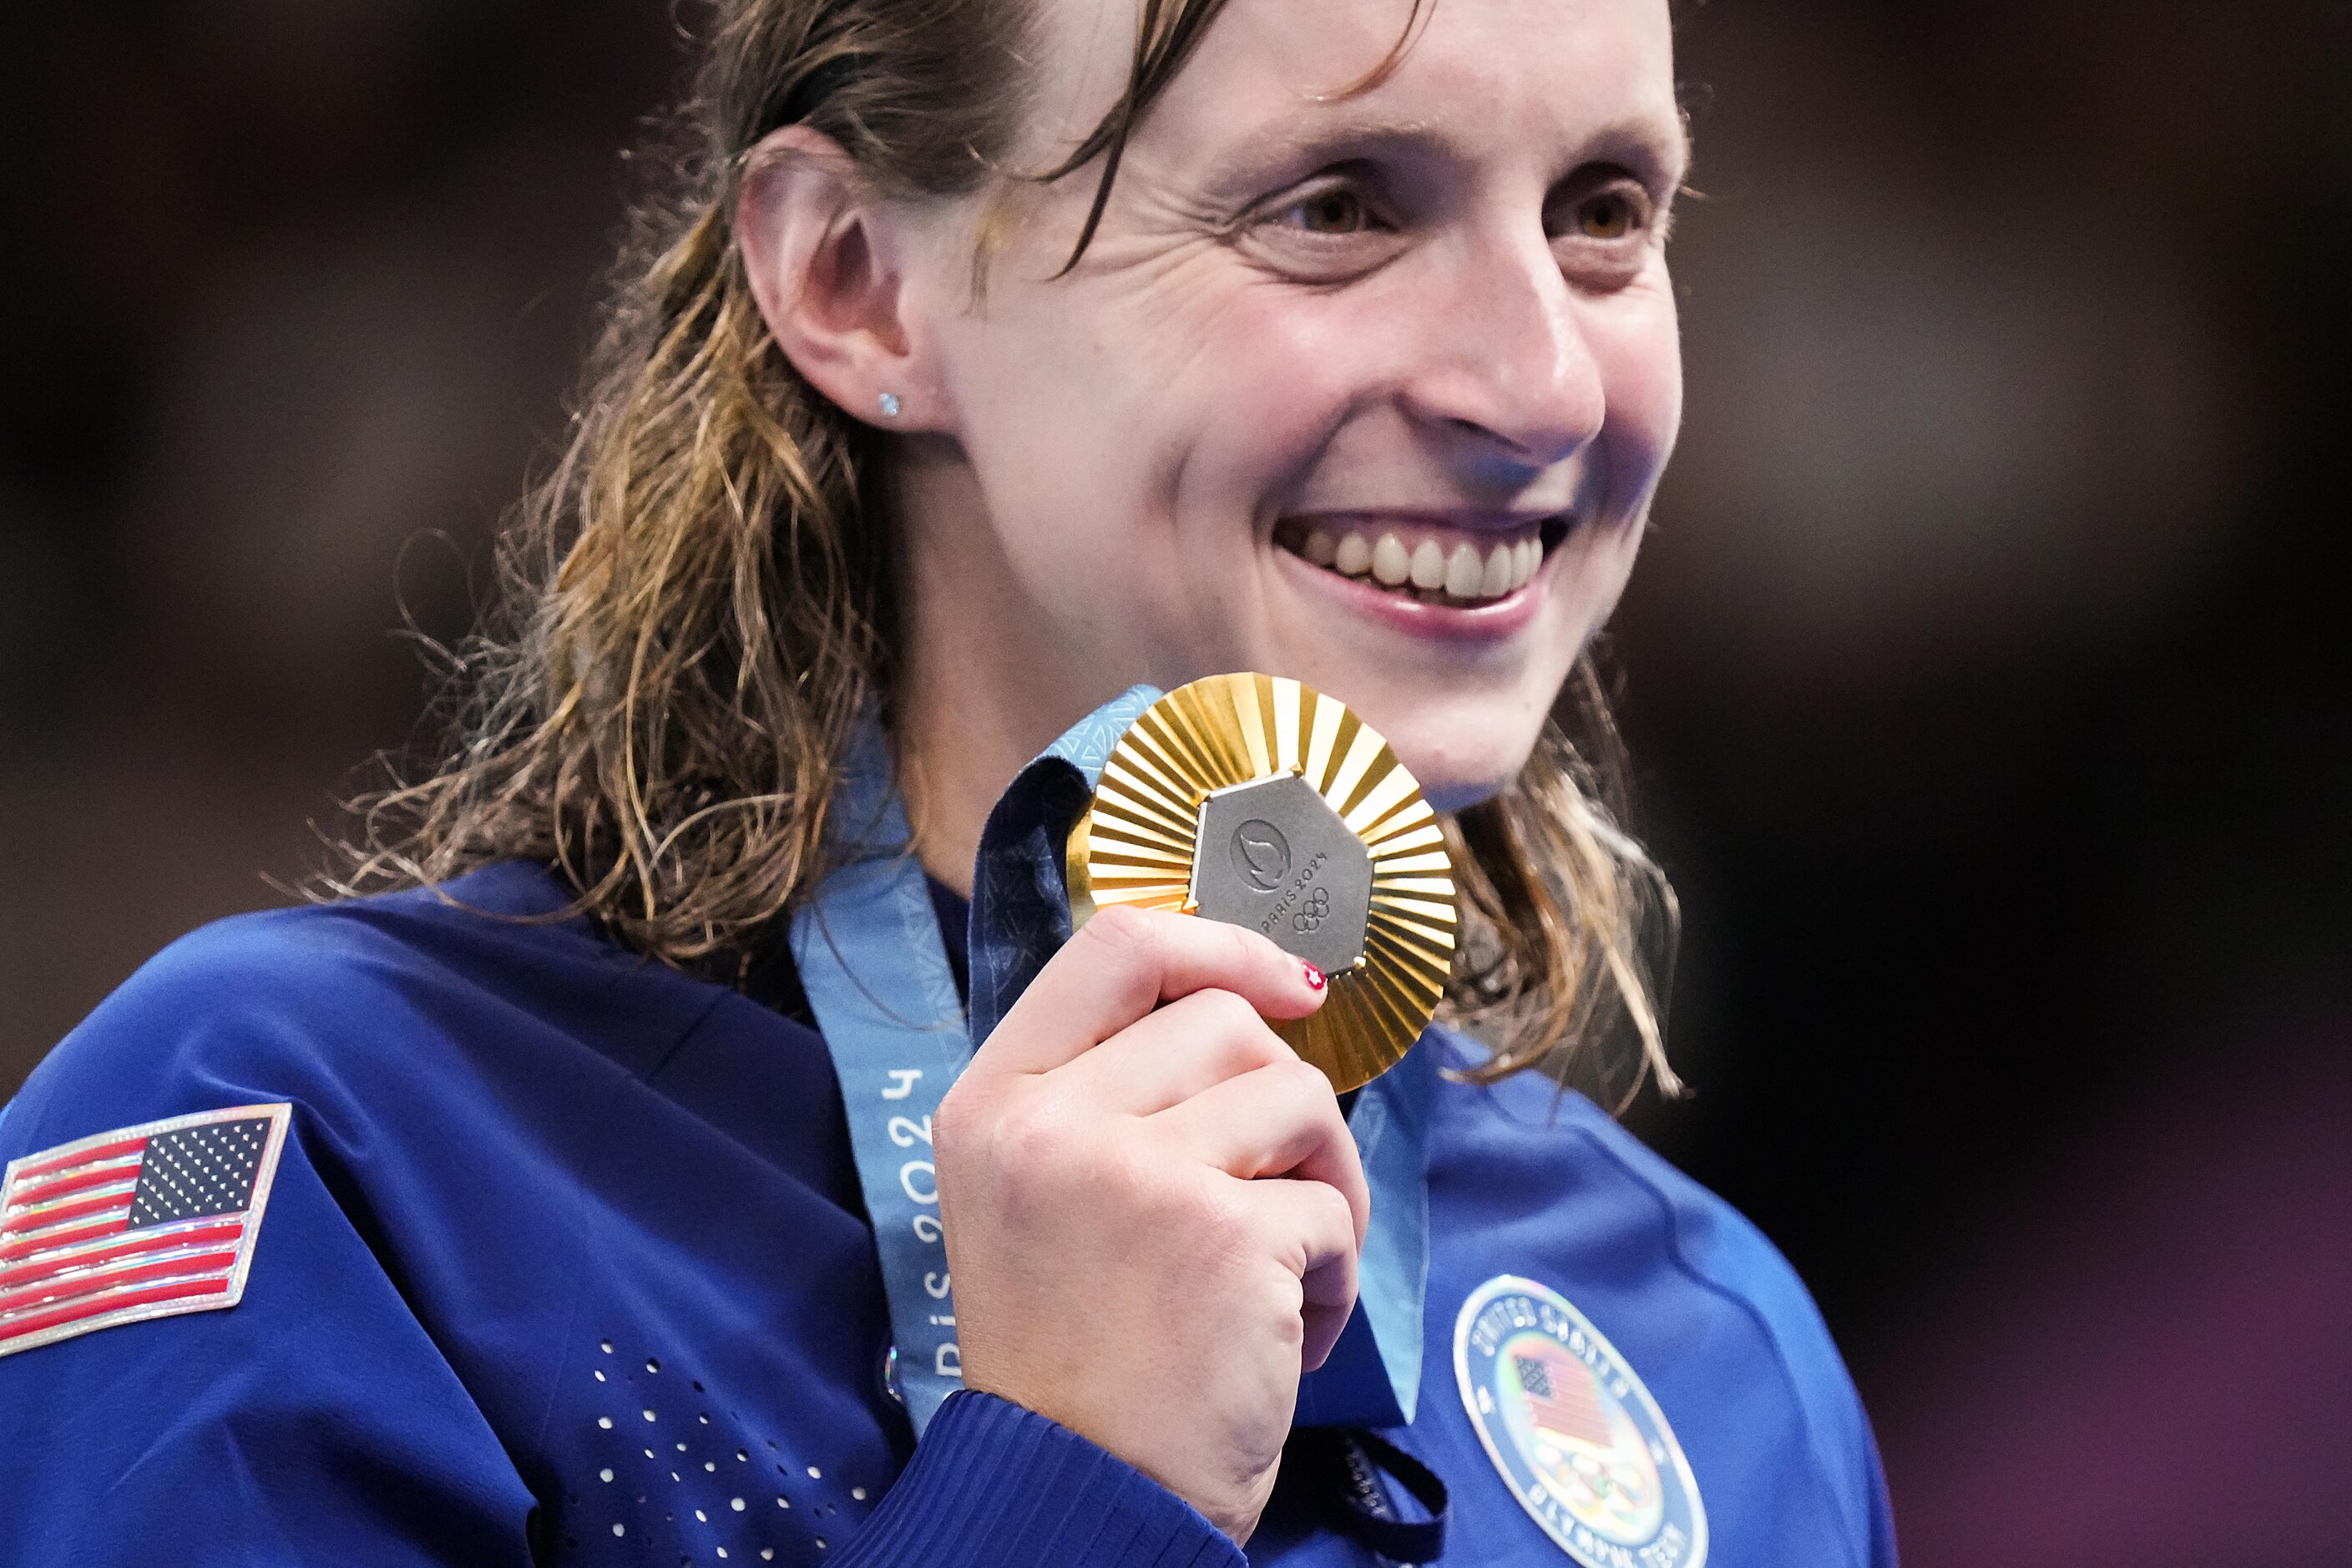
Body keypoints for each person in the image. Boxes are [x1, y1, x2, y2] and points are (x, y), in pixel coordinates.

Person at [0, 0, 1898, 1562]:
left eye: (1601, 210)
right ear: (857, 282)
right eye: (1332, 205)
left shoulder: (1709, 1355)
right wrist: (1077, 1482)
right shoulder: (322, 1160)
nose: (1541, 387)